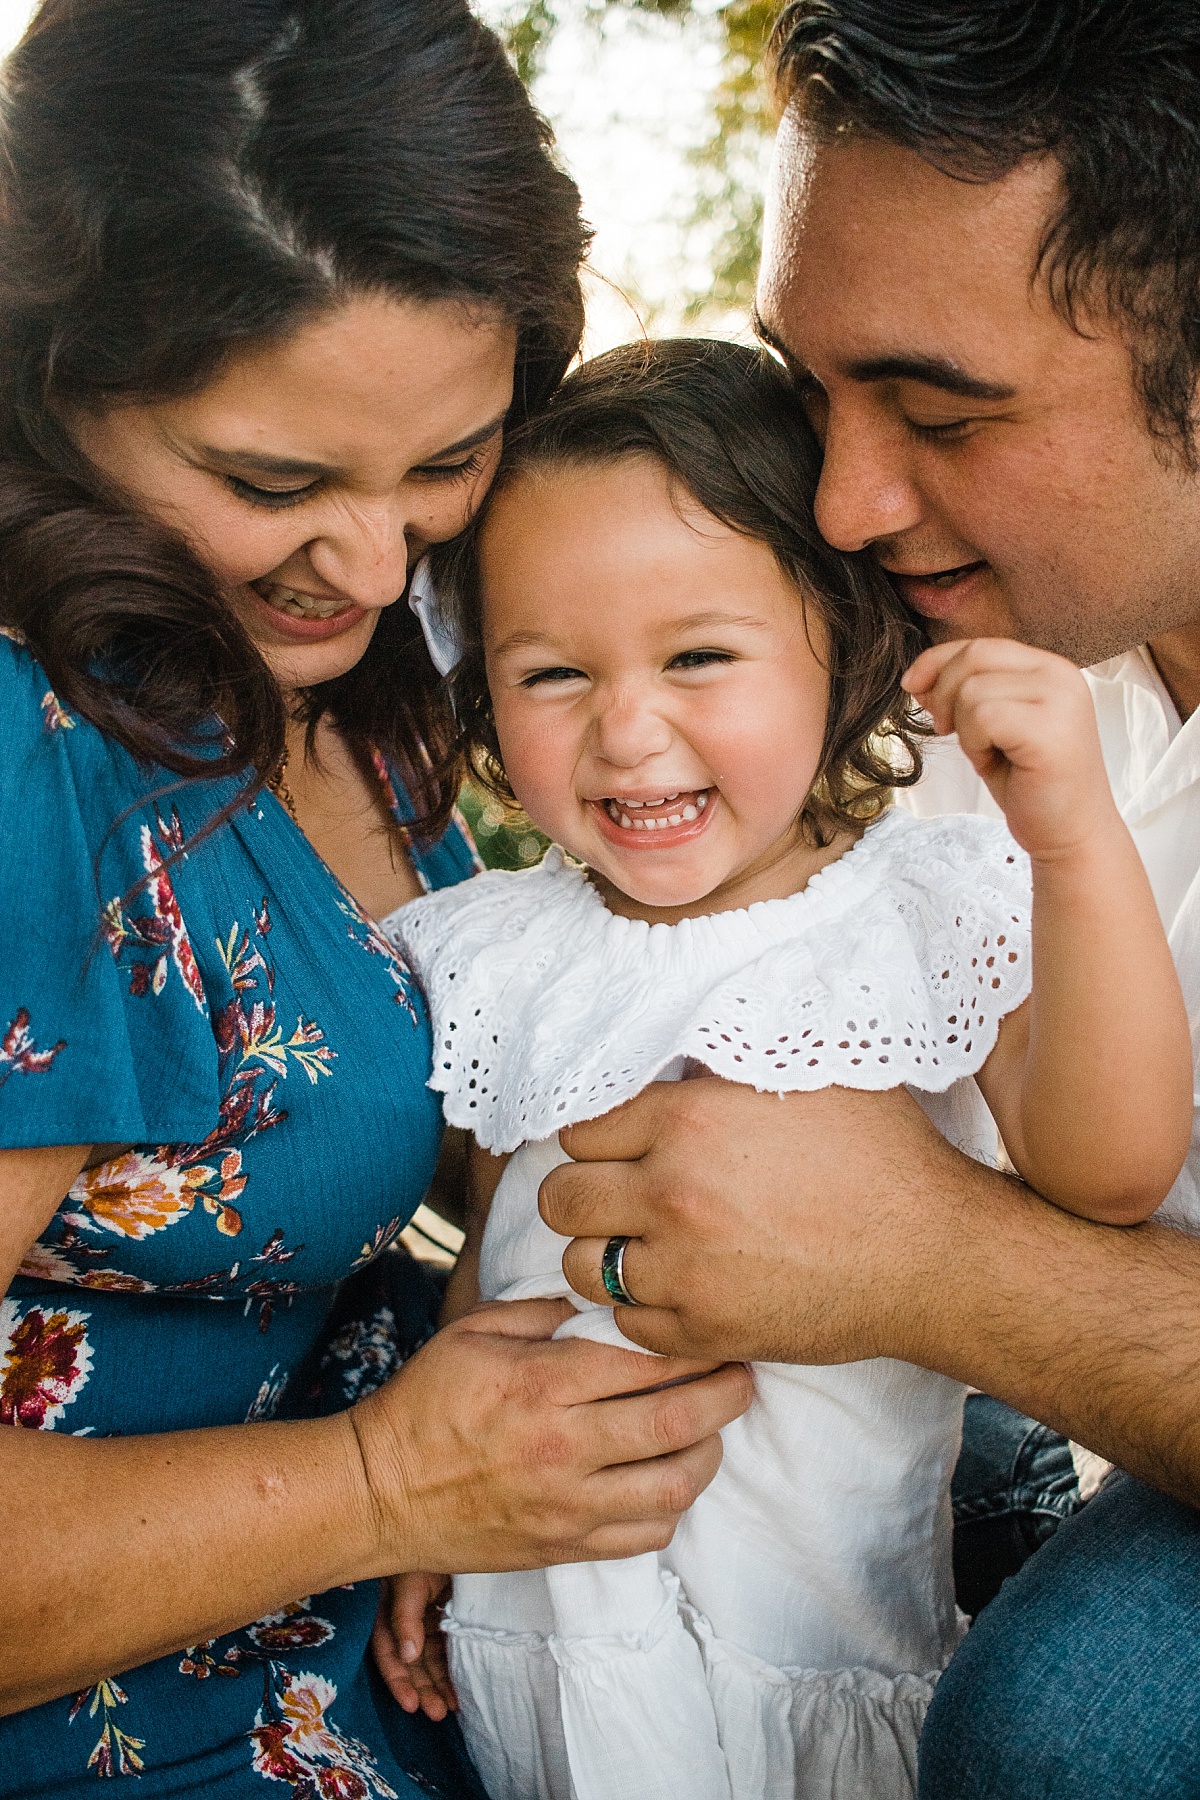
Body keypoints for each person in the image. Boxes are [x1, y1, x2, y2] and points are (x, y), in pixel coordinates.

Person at [0, 5, 752, 1796]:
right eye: (274, 484)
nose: (377, 562)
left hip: (408, 1686)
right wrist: (386, 1483)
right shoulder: (34, 756)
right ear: (45, 375)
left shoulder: (343, 683)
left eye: (445, 463)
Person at [529, 4, 1200, 1795]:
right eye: (813, 389)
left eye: (938, 411)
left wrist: (929, 1258)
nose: (840, 498)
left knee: (1077, 1733)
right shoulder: (934, 673)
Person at [382, 339, 1191, 1800]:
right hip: (544, 1631)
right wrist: (424, 1507)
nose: (629, 730)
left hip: (806, 1655)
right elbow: (499, 1255)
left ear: (842, 644)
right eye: (552, 673)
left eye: (699, 656)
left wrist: (1072, 844)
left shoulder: (921, 903)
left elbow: (1112, 1167)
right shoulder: (504, 946)